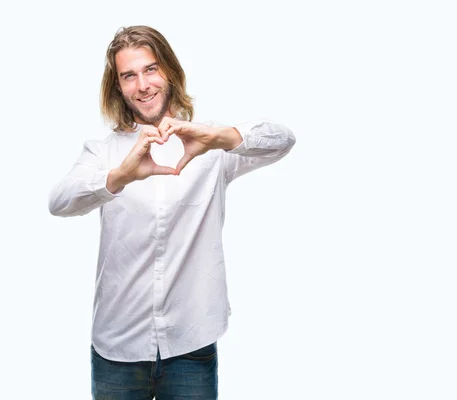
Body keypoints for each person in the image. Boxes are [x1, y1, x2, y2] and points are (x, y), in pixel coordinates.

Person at [48, 25, 295, 400]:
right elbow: (60, 202)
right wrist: (118, 177)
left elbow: (282, 140)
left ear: (170, 72)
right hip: (119, 347)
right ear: (118, 87)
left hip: (190, 346)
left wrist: (222, 137)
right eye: (129, 75)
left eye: (151, 69)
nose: (142, 84)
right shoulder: (104, 152)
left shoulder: (209, 141)